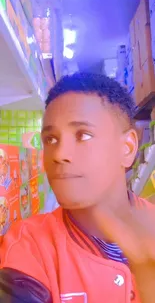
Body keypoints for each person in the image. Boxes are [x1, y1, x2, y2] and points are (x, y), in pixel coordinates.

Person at [0, 73, 155, 303]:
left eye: (83, 135)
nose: (60, 154)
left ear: (127, 147)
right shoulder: (28, 245)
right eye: (51, 139)